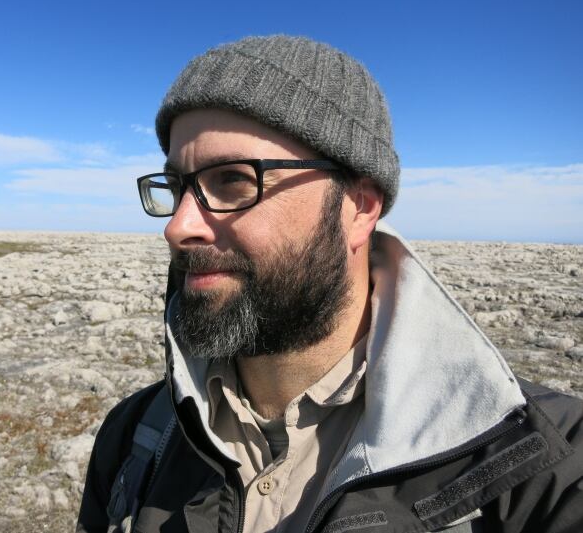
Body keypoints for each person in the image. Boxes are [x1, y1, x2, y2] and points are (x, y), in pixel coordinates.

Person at [77, 35, 582, 533]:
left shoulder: (544, 462)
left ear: (359, 208)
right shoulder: (136, 436)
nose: (178, 226)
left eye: (232, 179)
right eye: (177, 187)